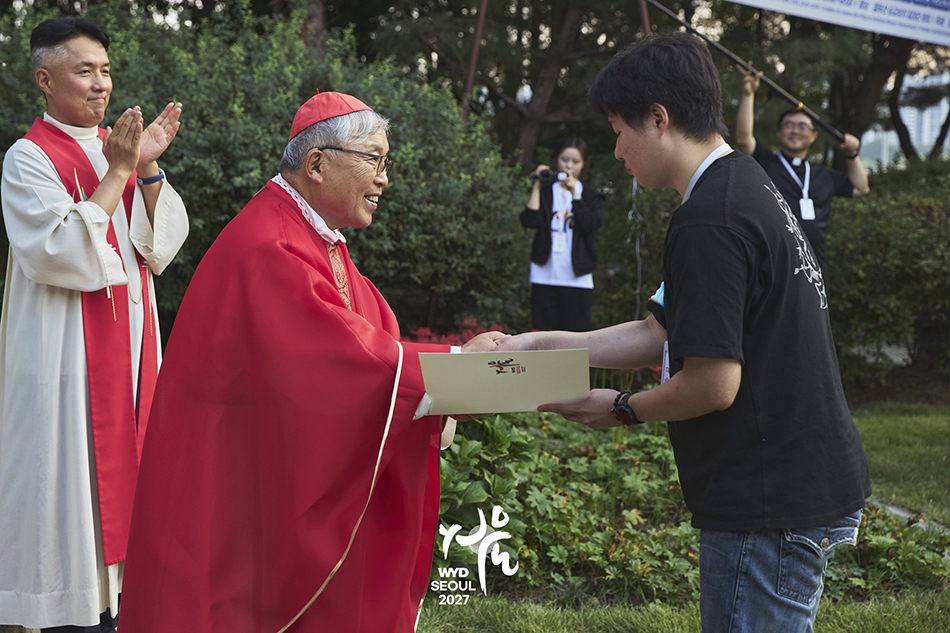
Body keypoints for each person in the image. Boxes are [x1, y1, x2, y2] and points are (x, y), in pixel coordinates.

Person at [498, 33, 871, 632]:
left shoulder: (709, 220)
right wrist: (535, 344)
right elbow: (660, 332)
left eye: (618, 130)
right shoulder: (741, 182)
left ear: (658, 118)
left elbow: (713, 384)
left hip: (767, 498)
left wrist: (621, 408)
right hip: (794, 481)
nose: (616, 151)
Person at [118, 91, 504, 633]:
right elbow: (341, 360)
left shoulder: (313, 236)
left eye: (385, 163)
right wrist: (457, 366)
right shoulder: (270, 243)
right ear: (318, 164)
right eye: (374, 160)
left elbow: (371, 338)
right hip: (231, 475)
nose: (384, 180)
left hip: (260, 462)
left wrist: (451, 376)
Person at [0, 16, 188, 633]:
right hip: (65, 365)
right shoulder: (27, 158)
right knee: (70, 489)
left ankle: (121, 606)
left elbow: (157, 249)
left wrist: (148, 170)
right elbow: (58, 250)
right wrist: (118, 172)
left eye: (105, 70)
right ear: (44, 79)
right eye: (85, 71)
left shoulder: (120, 148)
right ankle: (69, 612)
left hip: (129, 359)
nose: (101, 83)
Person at [736, 66, 870, 276]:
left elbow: (861, 188)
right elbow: (744, 140)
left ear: (814, 136)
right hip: (772, 263)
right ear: (779, 132)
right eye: (789, 125)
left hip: (814, 267)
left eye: (802, 126)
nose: (795, 131)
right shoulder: (765, 163)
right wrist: (748, 95)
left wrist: (852, 155)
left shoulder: (823, 174)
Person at [520, 137, 604, 331]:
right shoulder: (546, 191)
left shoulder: (591, 195)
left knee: (577, 336)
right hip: (544, 275)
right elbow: (530, 220)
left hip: (577, 277)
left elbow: (589, 225)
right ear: (556, 159)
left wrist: (576, 195)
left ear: (583, 164)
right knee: (543, 334)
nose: (569, 166)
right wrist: (538, 184)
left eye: (575, 162)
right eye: (564, 160)